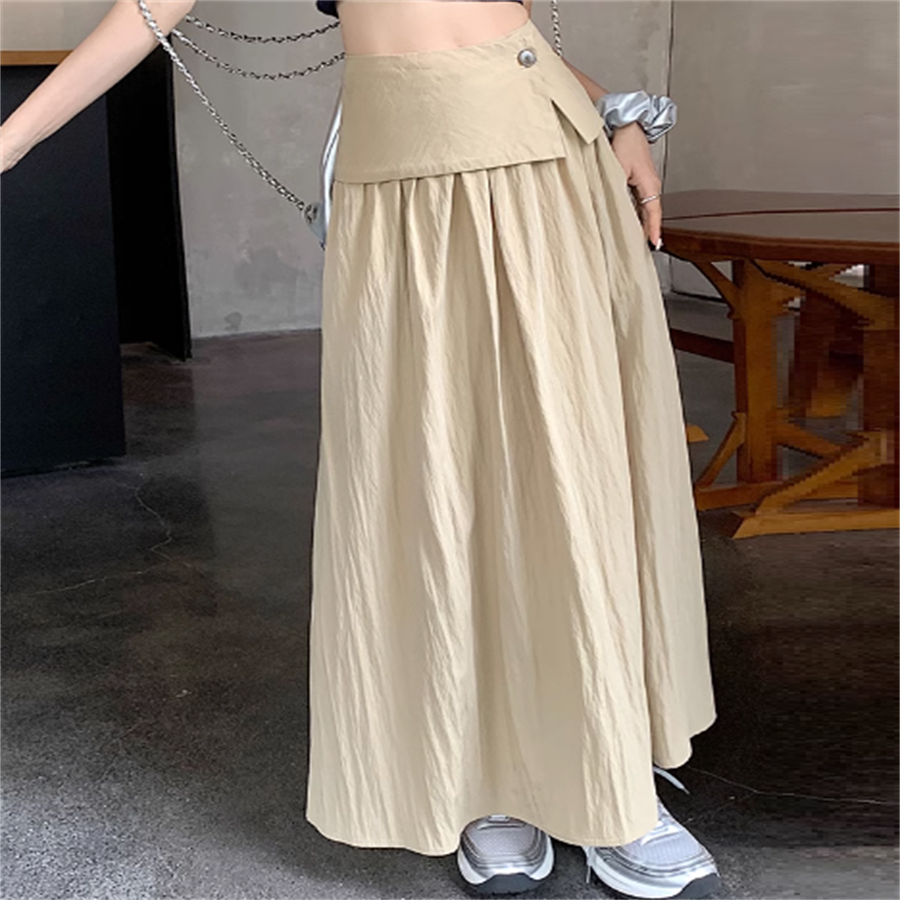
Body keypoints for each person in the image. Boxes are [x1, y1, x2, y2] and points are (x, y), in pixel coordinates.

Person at [0, 2, 720, 898]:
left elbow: (500, 23)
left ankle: (611, 780)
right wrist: (10, 140)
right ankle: (490, 775)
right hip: (400, 179)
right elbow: (149, 9)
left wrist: (615, 114)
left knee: (570, 471)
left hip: (545, 166)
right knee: (433, 482)